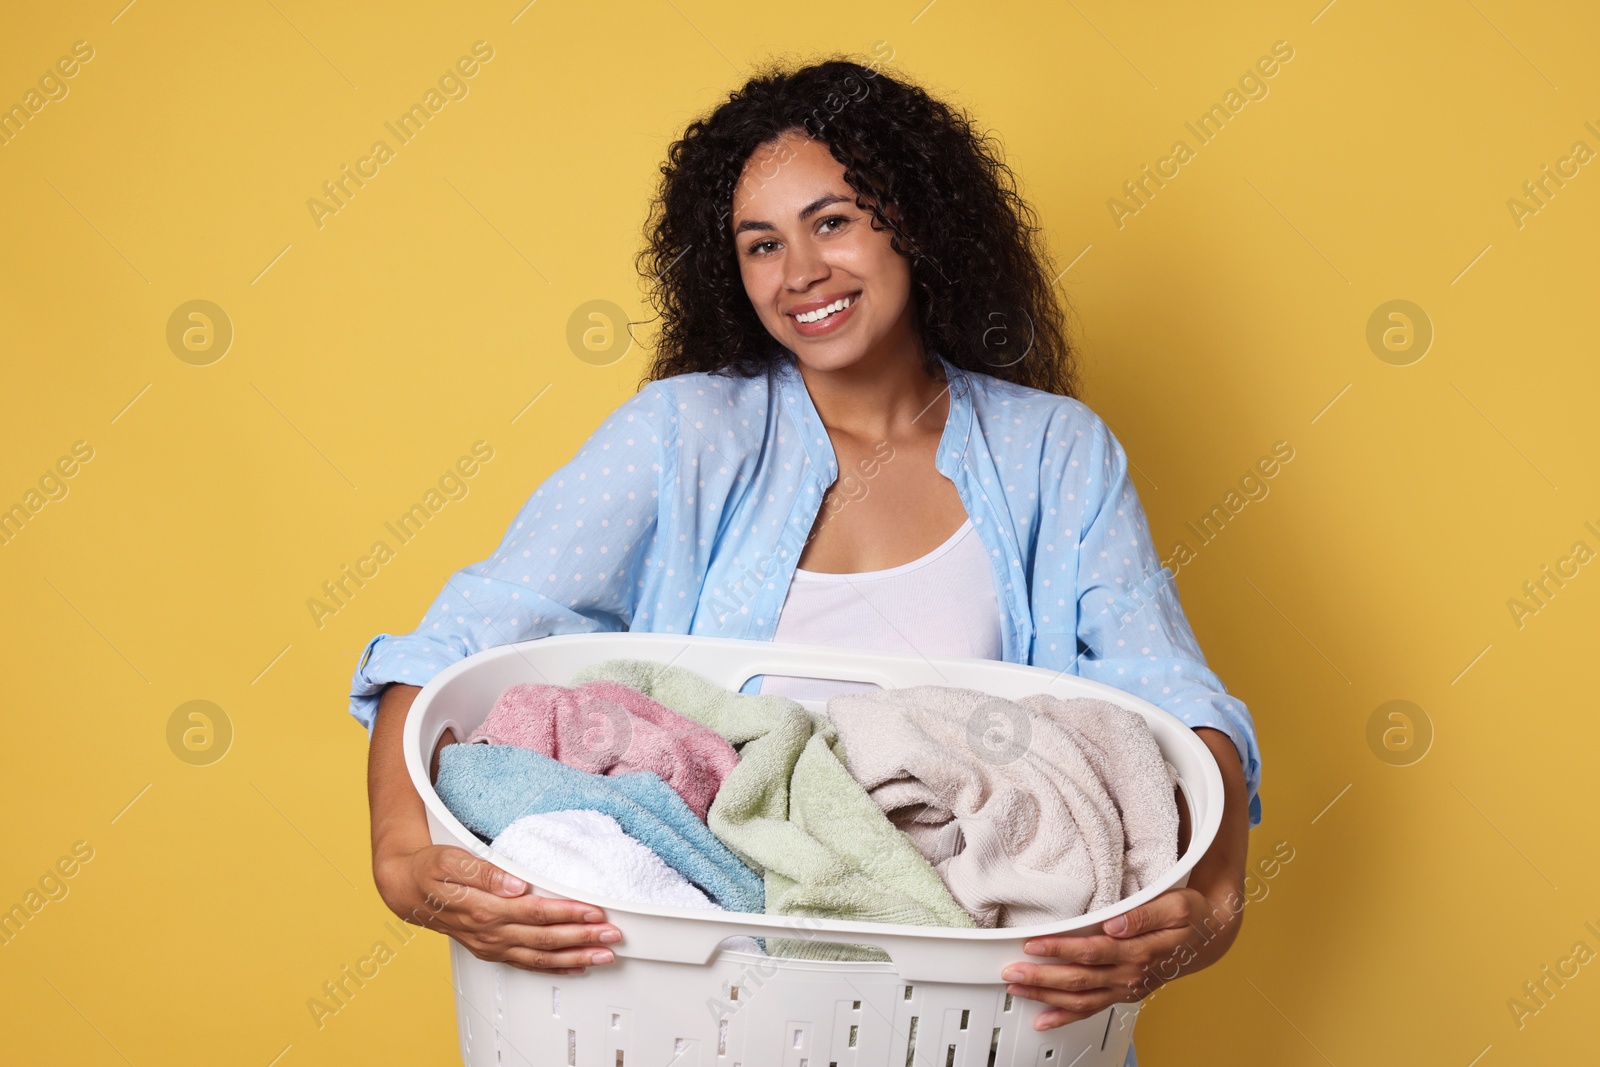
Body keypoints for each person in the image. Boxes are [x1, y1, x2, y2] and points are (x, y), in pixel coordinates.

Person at [351, 57, 1261, 1064]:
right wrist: (402, 859)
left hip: (963, 1010)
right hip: (698, 1004)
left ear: (913, 222)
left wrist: (1208, 905)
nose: (799, 273)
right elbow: (461, 641)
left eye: (832, 222)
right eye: (760, 243)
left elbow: (1170, 700)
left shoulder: (1054, 453)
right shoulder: (682, 434)